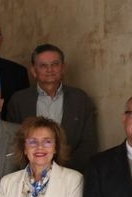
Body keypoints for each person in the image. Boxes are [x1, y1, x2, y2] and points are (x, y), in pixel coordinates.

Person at [6, 43, 99, 171]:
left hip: (71, 175)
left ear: (63, 68)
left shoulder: (80, 99)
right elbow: (14, 140)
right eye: (43, 65)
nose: (50, 70)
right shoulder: (19, 100)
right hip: (30, 174)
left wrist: (65, 172)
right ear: (34, 71)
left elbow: (88, 143)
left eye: (55, 64)